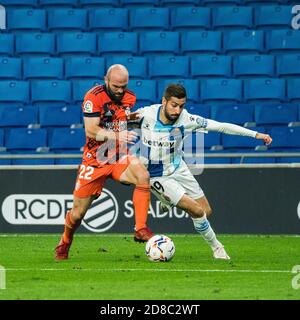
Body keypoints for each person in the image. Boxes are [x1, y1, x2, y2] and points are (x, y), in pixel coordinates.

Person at [130, 84, 273, 260]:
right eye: (174, 105)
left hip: (178, 167)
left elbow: (220, 126)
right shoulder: (146, 114)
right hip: (155, 174)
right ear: (164, 101)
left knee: (206, 211)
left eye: (181, 106)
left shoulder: (187, 119)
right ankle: (217, 248)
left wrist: (255, 135)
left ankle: (166, 202)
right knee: (197, 211)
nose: (177, 110)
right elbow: (119, 121)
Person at [55, 64, 154, 260]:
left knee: (143, 175)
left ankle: (140, 229)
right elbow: (91, 130)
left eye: (123, 86)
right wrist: (118, 134)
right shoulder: (93, 97)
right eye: (116, 86)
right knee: (77, 214)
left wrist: (130, 119)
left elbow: (118, 118)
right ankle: (65, 241)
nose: (120, 90)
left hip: (117, 156)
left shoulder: (129, 97)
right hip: (94, 160)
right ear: (106, 80)